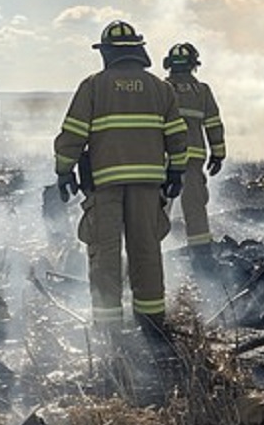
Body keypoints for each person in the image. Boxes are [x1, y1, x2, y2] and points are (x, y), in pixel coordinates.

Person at [54, 20, 188, 335]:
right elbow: (177, 135)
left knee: (105, 254)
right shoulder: (161, 88)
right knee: (146, 251)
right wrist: (176, 171)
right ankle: (152, 323)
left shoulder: (93, 86)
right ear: (137, 51)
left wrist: (64, 170)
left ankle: (108, 327)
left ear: (108, 53)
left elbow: (73, 133)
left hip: (105, 185)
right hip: (148, 185)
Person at [163, 42, 226, 266]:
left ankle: (146, 254)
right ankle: (202, 261)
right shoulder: (202, 91)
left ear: (169, 64)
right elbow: (214, 124)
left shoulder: (161, 89)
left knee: (157, 208)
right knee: (195, 209)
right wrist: (218, 154)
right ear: (193, 64)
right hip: (192, 159)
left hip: (165, 160)